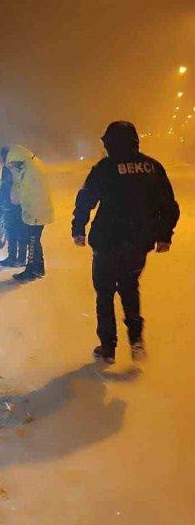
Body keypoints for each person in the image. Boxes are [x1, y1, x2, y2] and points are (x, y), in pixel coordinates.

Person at [72, 121, 180, 364]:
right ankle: (136, 341)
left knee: (105, 293)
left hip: (107, 242)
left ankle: (108, 348)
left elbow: (85, 200)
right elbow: (169, 206)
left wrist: (78, 228)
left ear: (109, 143)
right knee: (130, 287)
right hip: (138, 243)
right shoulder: (152, 167)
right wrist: (164, 235)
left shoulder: (105, 168)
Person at [6, 145, 54, 281]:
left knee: (32, 241)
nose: (13, 166)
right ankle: (38, 268)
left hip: (36, 212)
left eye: (13, 163)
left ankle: (31, 270)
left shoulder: (31, 172)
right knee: (35, 240)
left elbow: (25, 193)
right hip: (37, 211)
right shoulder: (30, 166)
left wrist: (28, 212)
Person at [0, 146, 27, 267]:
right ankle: (19, 257)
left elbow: (5, 188)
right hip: (21, 204)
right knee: (20, 232)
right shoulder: (21, 167)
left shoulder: (8, 168)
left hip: (12, 204)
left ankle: (15, 257)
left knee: (13, 231)